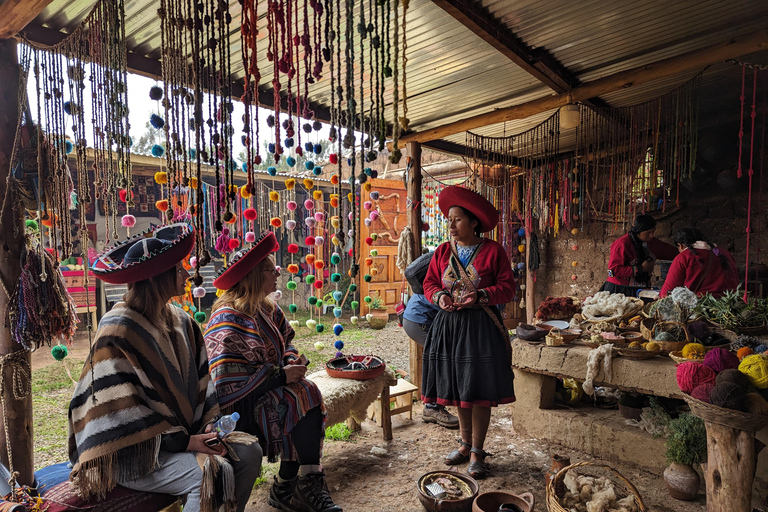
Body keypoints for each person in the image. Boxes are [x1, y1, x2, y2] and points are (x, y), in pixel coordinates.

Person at [70, 222, 262, 512]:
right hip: (128, 450)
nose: (187, 274)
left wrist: (209, 425)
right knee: (207, 472)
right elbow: (121, 417)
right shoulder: (117, 331)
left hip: (177, 440)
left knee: (249, 452)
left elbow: (202, 382)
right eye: (178, 269)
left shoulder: (181, 321)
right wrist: (188, 443)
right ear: (158, 278)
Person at [204, 231, 342, 512]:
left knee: (306, 391)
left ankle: (295, 482)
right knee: (296, 397)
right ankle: (293, 484)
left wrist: (291, 362)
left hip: (269, 390)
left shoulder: (268, 309)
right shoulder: (227, 317)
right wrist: (281, 376)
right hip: (236, 411)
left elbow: (287, 343)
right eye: (271, 270)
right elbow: (226, 385)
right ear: (254, 275)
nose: (277, 274)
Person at [422, 186, 516, 479]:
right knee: (460, 388)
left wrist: (482, 295)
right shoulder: (441, 251)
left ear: (474, 222)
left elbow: (508, 287)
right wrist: (439, 297)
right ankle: (464, 445)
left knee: (479, 392)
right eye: (449, 219)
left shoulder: (492, 251)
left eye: (457, 219)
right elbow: (429, 284)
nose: (450, 225)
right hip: (449, 327)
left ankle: (478, 451)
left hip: (480, 329)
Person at [403, 251, 459, 429]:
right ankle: (432, 408)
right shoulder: (451, 268)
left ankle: (435, 404)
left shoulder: (449, 265)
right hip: (419, 321)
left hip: (417, 318)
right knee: (440, 359)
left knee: (441, 358)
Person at [601, 214, 678, 297]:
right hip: (620, 290)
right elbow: (613, 271)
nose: (652, 235)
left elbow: (671, 252)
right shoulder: (622, 244)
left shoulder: (652, 243)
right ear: (637, 232)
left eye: (653, 231)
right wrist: (641, 268)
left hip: (642, 290)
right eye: (647, 233)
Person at [660, 227, 739, 298]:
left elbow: (668, 290)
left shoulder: (684, 257)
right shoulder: (724, 253)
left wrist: (659, 297)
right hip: (730, 302)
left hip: (701, 305)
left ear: (680, 245)